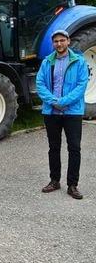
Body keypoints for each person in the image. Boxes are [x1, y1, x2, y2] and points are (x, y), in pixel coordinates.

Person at [36, 29, 89, 199]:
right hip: (51, 112)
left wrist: (63, 102)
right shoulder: (46, 62)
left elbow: (81, 86)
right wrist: (53, 101)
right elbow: (40, 84)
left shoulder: (79, 62)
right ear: (53, 44)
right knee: (54, 147)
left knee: (74, 148)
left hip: (72, 112)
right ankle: (54, 180)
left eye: (62, 40)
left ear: (68, 41)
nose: (59, 44)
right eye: (56, 41)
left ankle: (72, 185)